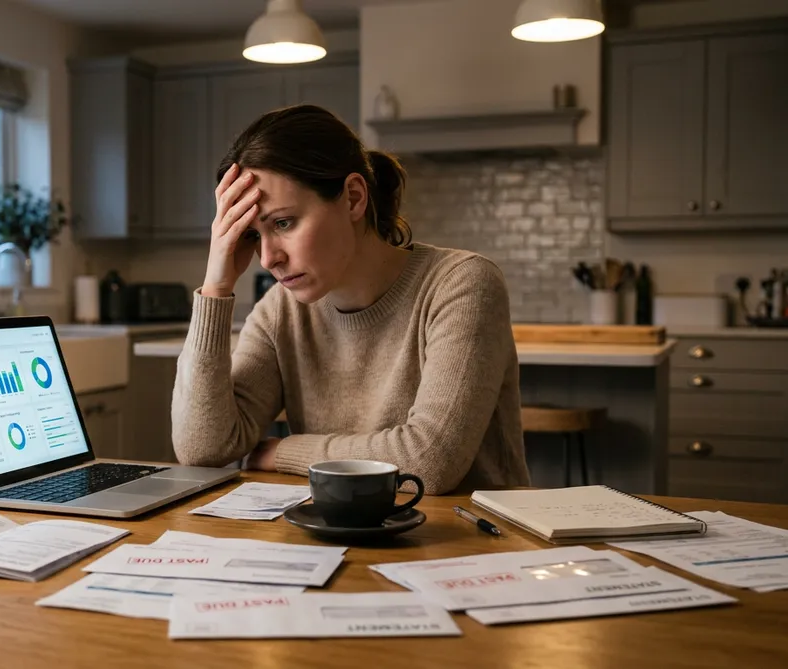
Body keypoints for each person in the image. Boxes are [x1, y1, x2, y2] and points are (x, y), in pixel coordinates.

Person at [170, 104, 530, 495]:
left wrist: (282, 453)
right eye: (253, 235)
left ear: (354, 198)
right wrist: (215, 287)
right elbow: (202, 449)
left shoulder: (462, 283)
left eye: (284, 223)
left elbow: (429, 461)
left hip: (469, 542)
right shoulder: (281, 310)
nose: (269, 258)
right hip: (338, 540)